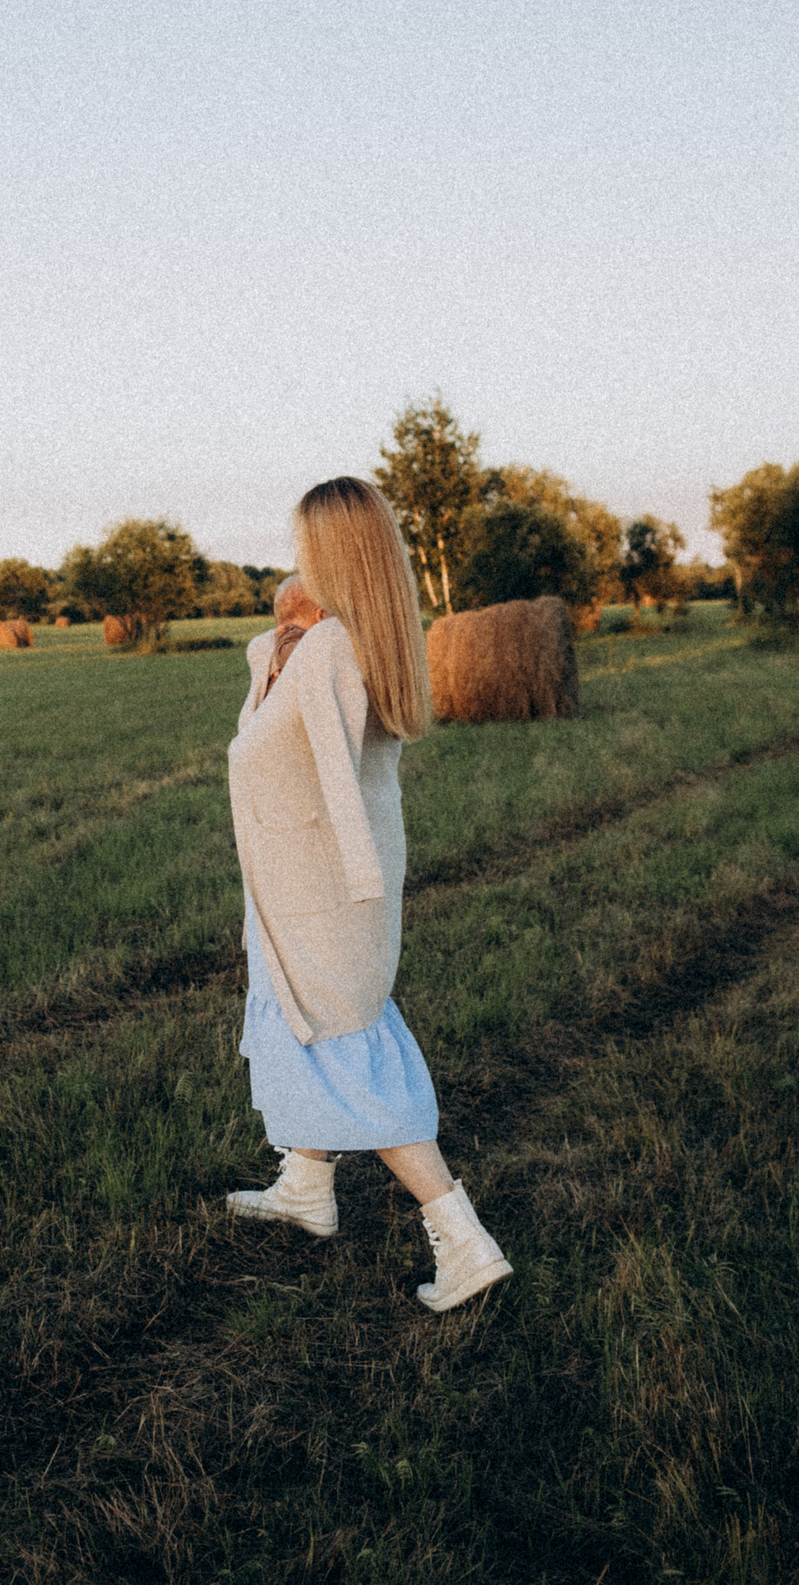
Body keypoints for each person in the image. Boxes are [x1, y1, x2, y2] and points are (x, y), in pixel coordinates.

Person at [221, 477, 512, 1311]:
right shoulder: (348, 643)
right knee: (319, 1037)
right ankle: (306, 1187)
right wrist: (277, 641)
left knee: (349, 1053)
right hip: (314, 892)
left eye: (306, 547)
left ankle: (462, 1238)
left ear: (334, 555)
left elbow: (307, 771)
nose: (295, 562)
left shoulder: (329, 651)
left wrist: (284, 645)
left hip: (326, 897)